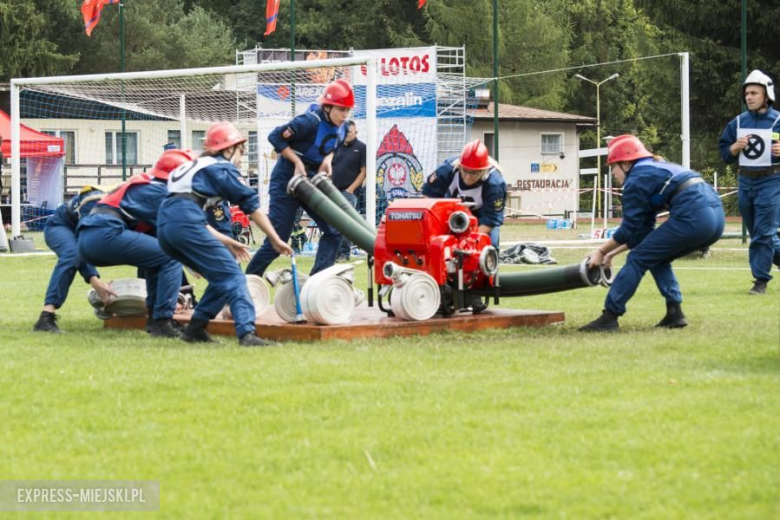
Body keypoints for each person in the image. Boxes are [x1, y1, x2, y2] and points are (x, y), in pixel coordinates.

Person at [157, 122, 292, 347]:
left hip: (166, 227)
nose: (240, 157)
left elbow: (183, 209)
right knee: (233, 276)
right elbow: (252, 207)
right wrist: (276, 239)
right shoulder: (221, 168)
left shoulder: (193, 166)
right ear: (227, 149)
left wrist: (228, 241)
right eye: (239, 151)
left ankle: (196, 328)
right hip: (188, 224)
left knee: (221, 277)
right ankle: (247, 334)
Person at [580, 135, 725, 332]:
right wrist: (613, 253)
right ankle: (675, 313)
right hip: (715, 217)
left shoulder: (637, 179)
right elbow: (643, 232)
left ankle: (609, 317)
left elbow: (629, 230)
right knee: (655, 256)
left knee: (637, 258)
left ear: (625, 163)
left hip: (693, 216)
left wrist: (601, 251)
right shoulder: (656, 168)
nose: (613, 173)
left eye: (612, 166)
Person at [77, 150, 197, 338]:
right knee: (170, 257)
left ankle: (154, 320)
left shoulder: (146, 186)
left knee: (156, 259)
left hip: (89, 237)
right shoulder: (158, 191)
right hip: (105, 233)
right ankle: (163, 321)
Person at [245, 78, 353, 277]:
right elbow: (275, 137)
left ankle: (316, 283)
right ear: (327, 107)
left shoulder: (344, 128)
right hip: (286, 178)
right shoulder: (309, 122)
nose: (344, 115)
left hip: (311, 180)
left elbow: (332, 148)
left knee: (334, 230)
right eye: (341, 109)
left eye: (347, 110)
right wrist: (296, 161)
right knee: (278, 239)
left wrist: (327, 160)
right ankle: (246, 284)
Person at [718, 69, 780, 295]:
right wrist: (734, 148)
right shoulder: (737, 123)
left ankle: (760, 281)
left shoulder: (779, 121)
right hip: (745, 181)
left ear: (767, 95)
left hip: (772, 181)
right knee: (760, 234)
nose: (749, 97)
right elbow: (724, 152)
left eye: (754, 93)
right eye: (747, 94)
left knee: (763, 234)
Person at [33, 186, 115, 333]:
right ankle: (46, 317)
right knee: (72, 254)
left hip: (80, 230)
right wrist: (94, 281)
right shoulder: (95, 201)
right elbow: (84, 242)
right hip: (60, 226)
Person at [422, 140, 507, 246]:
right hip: (450, 211)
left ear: (483, 171)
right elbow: (427, 198)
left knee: (488, 244)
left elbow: (490, 220)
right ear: (459, 166)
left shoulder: (495, 184)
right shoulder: (446, 170)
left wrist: (468, 240)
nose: (467, 176)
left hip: (481, 215)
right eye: (465, 171)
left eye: (474, 173)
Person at [331, 120, 366, 262]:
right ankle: (335, 252)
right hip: (333, 191)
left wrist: (351, 189)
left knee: (345, 222)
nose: (346, 135)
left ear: (355, 133)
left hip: (349, 192)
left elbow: (364, 172)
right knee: (333, 222)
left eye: (349, 132)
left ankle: (345, 252)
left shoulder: (362, 148)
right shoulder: (336, 147)